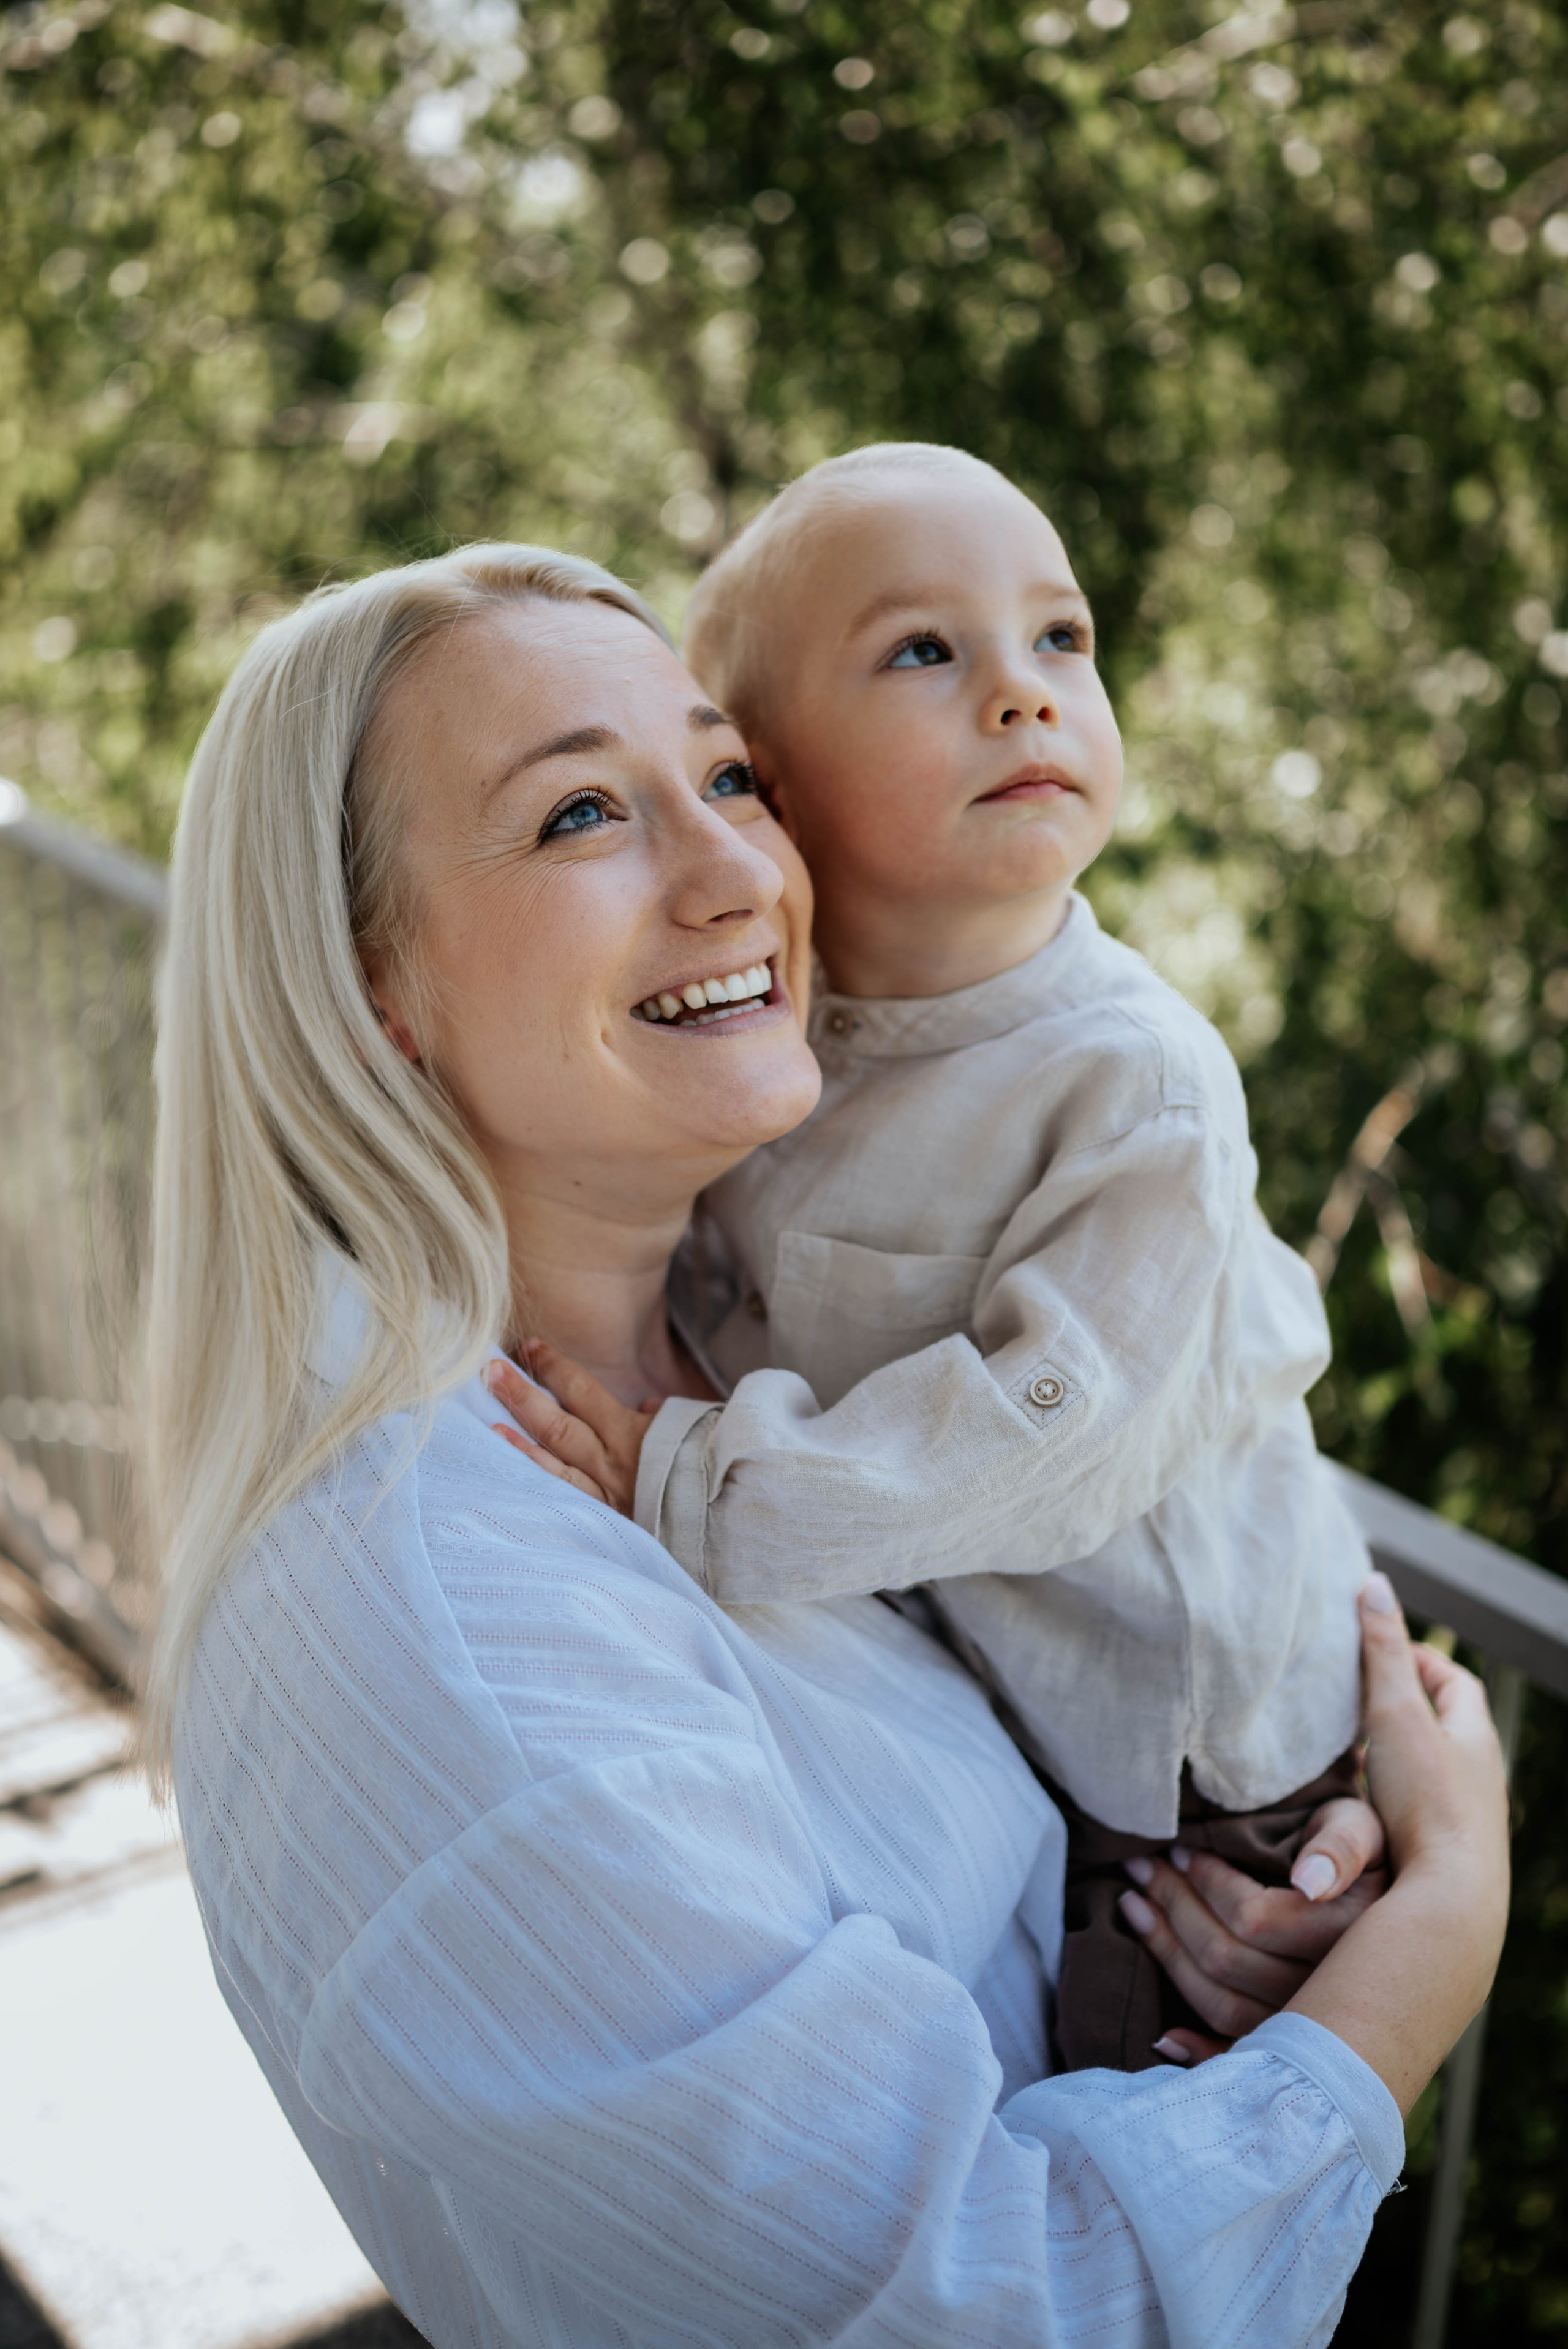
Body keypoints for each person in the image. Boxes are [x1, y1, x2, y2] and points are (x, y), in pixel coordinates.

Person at [146, 543, 1509, 2349]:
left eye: (729, 778)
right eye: (577, 815)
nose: (736, 871)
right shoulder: (451, 1614)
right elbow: (1017, 2305)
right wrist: (1425, 1958)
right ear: (367, 987)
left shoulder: (756, 1338)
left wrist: (1232, 1923)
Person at [494, 444, 1372, 2073]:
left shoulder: (1137, 1086)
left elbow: (1050, 1436)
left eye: (1061, 639)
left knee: (1141, 2115)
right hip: (998, 1693)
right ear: (764, 775)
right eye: (925, 650)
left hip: (1202, 1766)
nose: (1026, 696)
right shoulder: (777, 1033)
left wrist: (696, 1483)